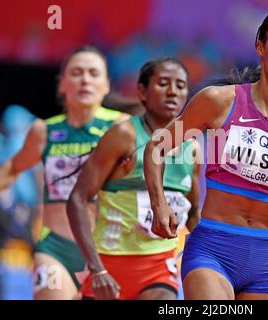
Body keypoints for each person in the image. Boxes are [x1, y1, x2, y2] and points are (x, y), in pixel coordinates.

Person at [143, 8, 268, 300]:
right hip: (213, 250)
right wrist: (159, 204)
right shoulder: (218, 101)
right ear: (260, 46)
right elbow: (156, 148)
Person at [0, 45, 125, 299]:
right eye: (77, 72)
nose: (85, 79)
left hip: (111, 251)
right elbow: (12, 168)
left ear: (106, 85)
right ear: (62, 84)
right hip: (56, 249)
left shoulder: (122, 128)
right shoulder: (43, 132)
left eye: (94, 73)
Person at [67, 57, 201, 300]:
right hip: (109, 265)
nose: (172, 92)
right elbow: (77, 199)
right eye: (163, 84)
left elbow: (192, 215)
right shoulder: (123, 135)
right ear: (142, 91)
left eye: (180, 86)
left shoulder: (191, 147)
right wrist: (97, 269)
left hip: (159, 268)